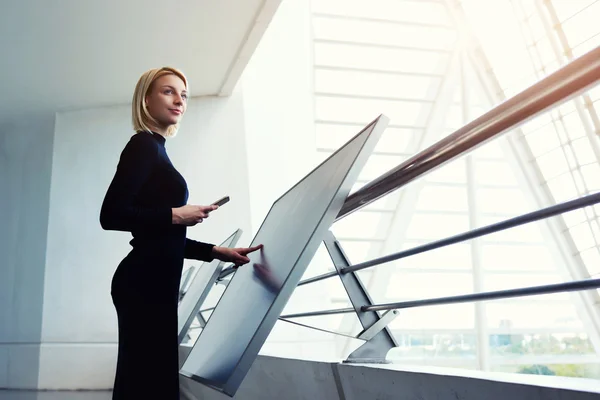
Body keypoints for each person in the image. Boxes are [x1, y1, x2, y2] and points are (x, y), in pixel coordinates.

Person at [100, 66, 262, 400]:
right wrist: (175, 214)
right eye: (168, 91)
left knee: (147, 380)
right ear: (146, 99)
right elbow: (111, 215)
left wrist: (216, 252)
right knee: (146, 381)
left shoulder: (157, 150)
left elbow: (159, 236)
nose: (179, 101)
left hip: (154, 278)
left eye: (184, 95)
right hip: (143, 281)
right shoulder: (143, 145)